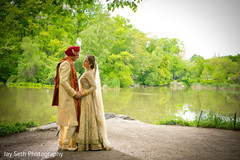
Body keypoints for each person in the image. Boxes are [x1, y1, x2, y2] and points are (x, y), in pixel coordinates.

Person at [73, 55, 111, 151]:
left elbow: (94, 87)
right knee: (84, 119)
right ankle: (86, 142)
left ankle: (89, 144)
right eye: (84, 60)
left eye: (85, 61)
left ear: (90, 64)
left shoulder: (89, 73)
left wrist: (83, 93)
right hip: (84, 98)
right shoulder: (87, 72)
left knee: (86, 118)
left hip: (87, 99)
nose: (83, 62)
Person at [52, 46, 81, 151]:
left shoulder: (67, 63)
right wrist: (74, 93)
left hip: (66, 97)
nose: (78, 57)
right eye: (77, 55)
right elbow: (63, 81)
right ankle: (65, 144)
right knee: (74, 122)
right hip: (67, 97)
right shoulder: (66, 64)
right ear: (72, 55)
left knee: (64, 121)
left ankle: (61, 143)